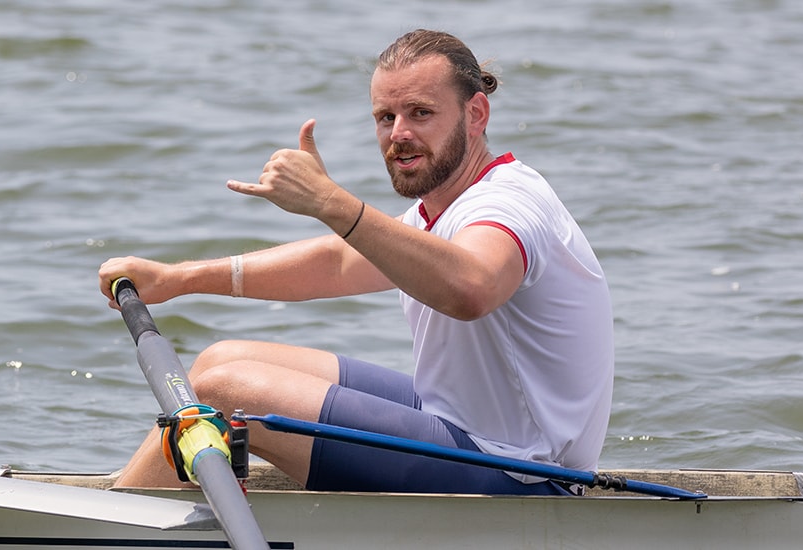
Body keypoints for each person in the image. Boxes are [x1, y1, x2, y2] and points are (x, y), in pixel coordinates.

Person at [99, 29, 612, 495]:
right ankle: (164, 506)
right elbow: (342, 262)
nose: (398, 134)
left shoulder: (507, 204)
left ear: (476, 114)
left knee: (223, 393)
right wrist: (178, 278)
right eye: (386, 118)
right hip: (461, 422)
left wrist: (331, 203)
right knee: (216, 361)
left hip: (522, 470)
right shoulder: (444, 206)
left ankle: (106, 526)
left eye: (421, 113)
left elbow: (472, 288)